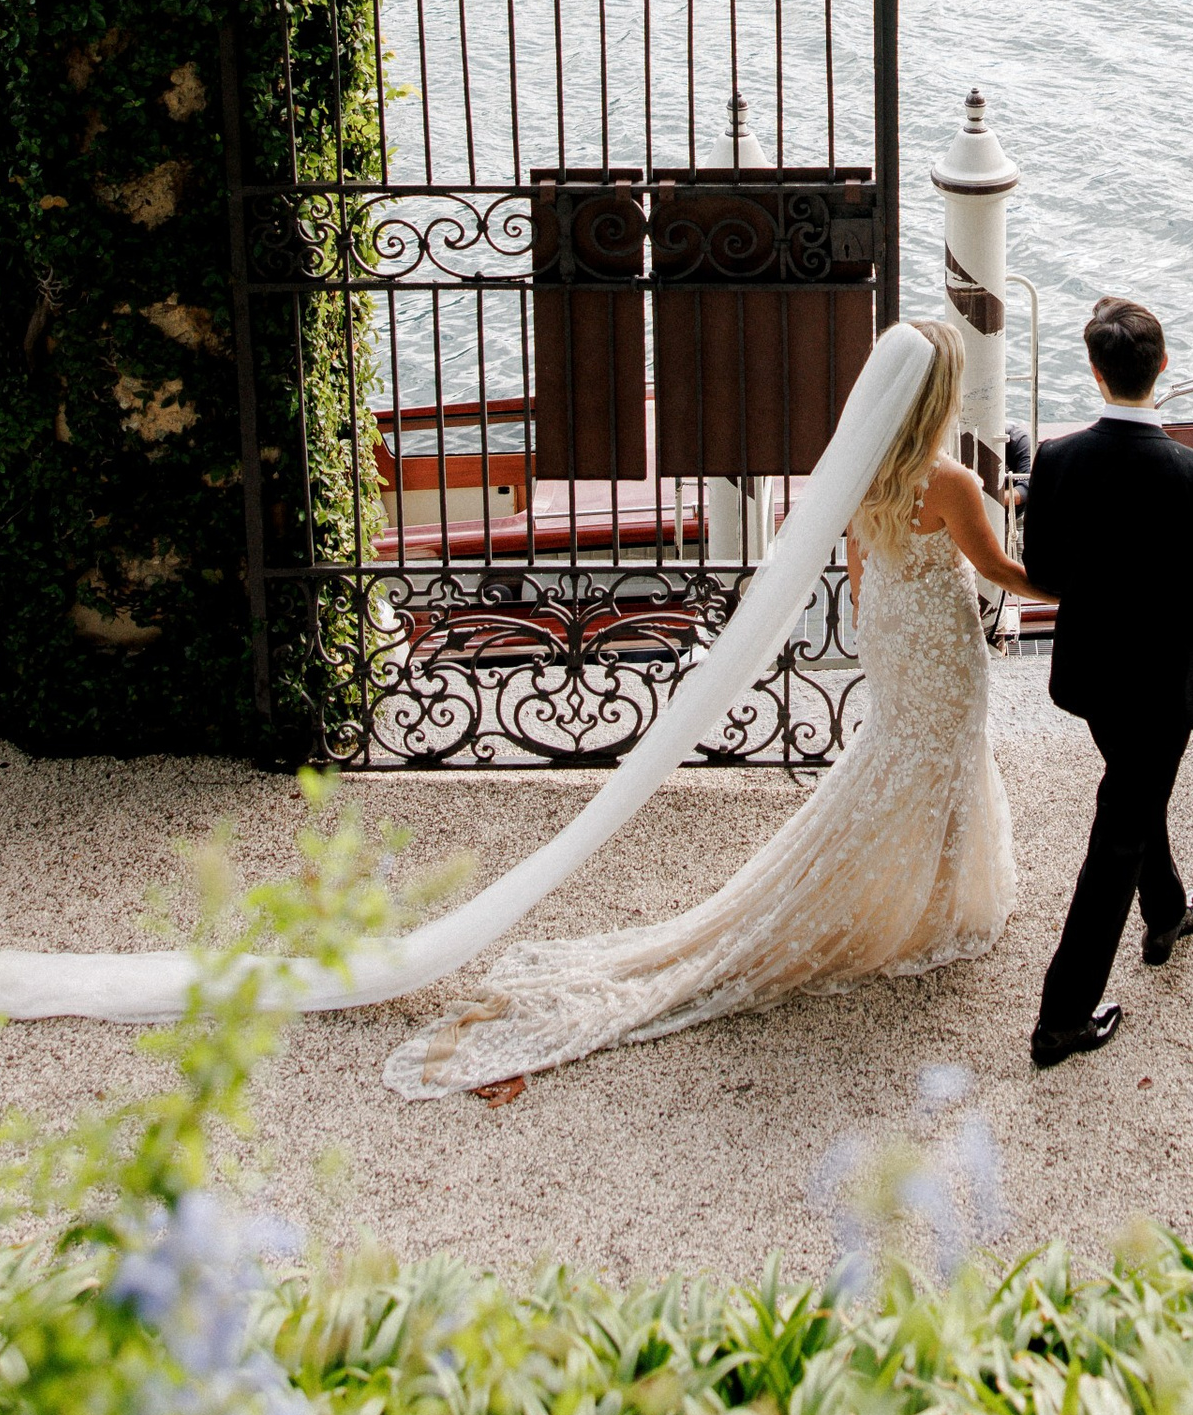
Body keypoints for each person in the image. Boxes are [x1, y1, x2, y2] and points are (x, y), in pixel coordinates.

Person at [384, 316, 1047, 1098]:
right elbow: (1001, 570)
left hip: (897, 641)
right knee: (941, 758)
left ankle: (920, 895)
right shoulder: (953, 484)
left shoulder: (859, 466)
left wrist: (882, 644)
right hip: (941, 645)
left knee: (899, 758)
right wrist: (1086, 588)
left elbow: (861, 571)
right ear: (937, 398)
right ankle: (935, 904)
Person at [1018, 295, 1193, 1071]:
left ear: (1093, 371)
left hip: (1090, 670)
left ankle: (1163, 915)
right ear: (1162, 366)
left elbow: (1046, 574)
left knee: (1133, 787)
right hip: (1161, 679)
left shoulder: (1056, 460)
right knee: (1119, 828)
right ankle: (1061, 1019)